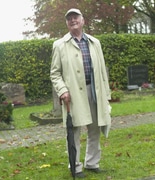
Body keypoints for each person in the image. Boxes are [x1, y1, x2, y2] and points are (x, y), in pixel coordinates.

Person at [50, 8, 111, 178]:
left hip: (94, 90)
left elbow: (102, 72)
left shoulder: (94, 42)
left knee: (95, 128)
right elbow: (55, 73)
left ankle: (92, 163)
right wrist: (62, 90)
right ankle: (75, 166)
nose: (73, 20)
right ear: (67, 23)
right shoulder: (59, 45)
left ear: (83, 20)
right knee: (74, 130)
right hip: (74, 94)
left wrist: (106, 95)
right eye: (69, 18)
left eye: (75, 17)